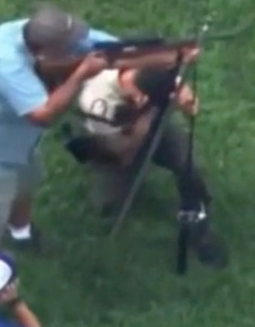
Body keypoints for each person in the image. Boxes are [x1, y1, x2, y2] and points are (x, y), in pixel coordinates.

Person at [0, 3, 195, 278]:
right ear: (46, 52)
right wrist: (82, 73)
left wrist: (162, 57)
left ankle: (21, 233)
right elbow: (44, 114)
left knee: (25, 183)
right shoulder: (4, 64)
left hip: (17, 144)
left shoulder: (40, 35)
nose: (78, 45)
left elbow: (108, 50)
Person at [74, 66, 228, 268]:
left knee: (188, 165)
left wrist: (184, 97)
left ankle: (197, 224)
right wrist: (144, 120)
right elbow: (122, 153)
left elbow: (175, 82)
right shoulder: (96, 101)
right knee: (110, 204)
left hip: (150, 124)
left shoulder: (150, 71)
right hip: (111, 143)